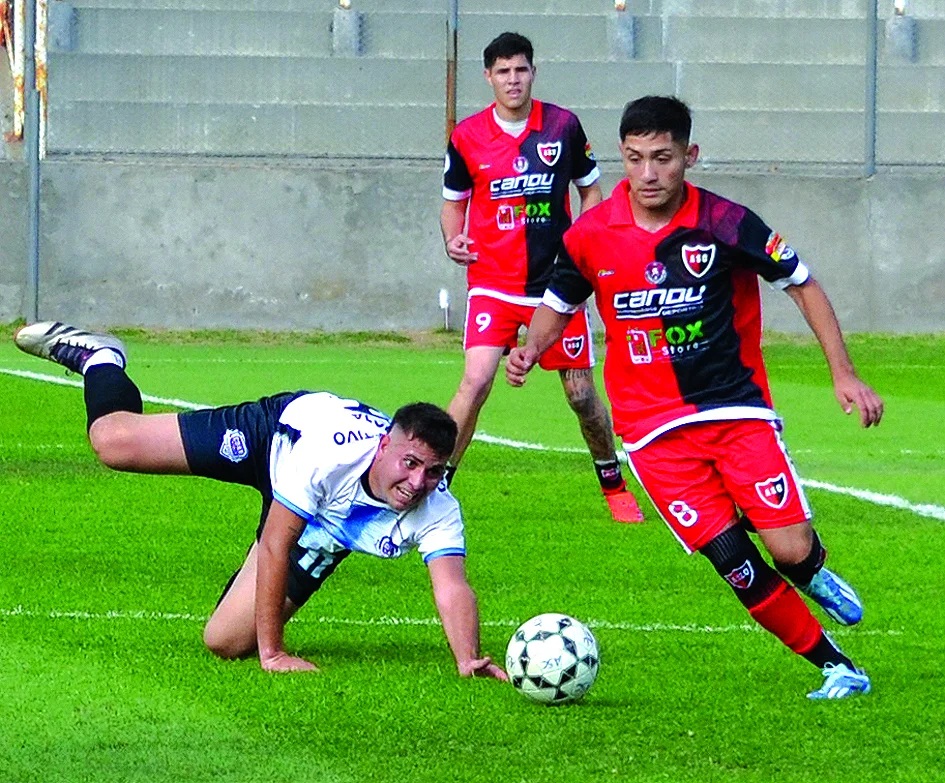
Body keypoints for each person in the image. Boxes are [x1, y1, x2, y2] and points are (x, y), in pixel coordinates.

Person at [506, 96, 884, 700]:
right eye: (635, 160)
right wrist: (530, 349)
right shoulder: (591, 234)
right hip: (651, 433)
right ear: (622, 159)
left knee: (786, 548)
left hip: (735, 411)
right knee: (734, 562)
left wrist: (844, 373)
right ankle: (838, 667)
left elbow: (803, 283)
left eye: (663, 158)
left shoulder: (728, 223)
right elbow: (558, 302)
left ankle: (810, 570)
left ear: (690, 155)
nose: (649, 174)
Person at [14, 321, 507, 680]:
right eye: (410, 464)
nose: (419, 482)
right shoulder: (325, 456)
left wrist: (468, 658)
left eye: (433, 471)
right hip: (274, 436)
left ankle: (248, 607)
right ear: (384, 446)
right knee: (113, 443)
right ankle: (100, 358)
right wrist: (274, 653)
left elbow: (451, 585)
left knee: (225, 642)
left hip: (324, 521)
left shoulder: (437, 505)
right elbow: (276, 543)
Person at [441, 31, 643, 523]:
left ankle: (612, 482)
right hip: (492, 281)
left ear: (533, 72)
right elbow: (454, 200)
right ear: (488, 77)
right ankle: (436, 482)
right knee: (477, 379)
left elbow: (591, 191)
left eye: (521, 69)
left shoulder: (563, 126)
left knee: (579, 393)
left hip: (555, 287)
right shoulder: (466, 136)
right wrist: (453, 239)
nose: (514, 80)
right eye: (504, 71)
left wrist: (586, 244)